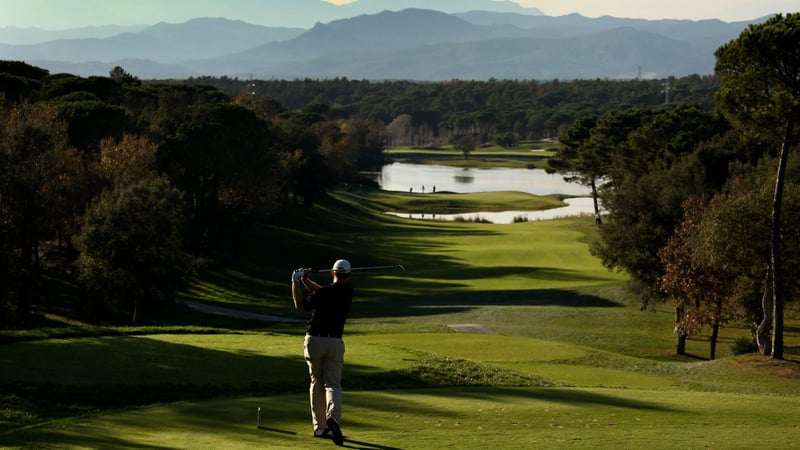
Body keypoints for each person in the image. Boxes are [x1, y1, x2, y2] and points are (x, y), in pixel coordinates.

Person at [291, 259, 353, 446]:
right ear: (349, 275)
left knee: (316, 382)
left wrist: (296, 281)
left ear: (332, 273)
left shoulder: (323, 293)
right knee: (333, 385)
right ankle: (333, 418)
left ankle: (320, 428)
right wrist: (305, 280)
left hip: (314, 340)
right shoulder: (348, 292)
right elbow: (322, 291)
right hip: (334, 342)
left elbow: (300, 304)